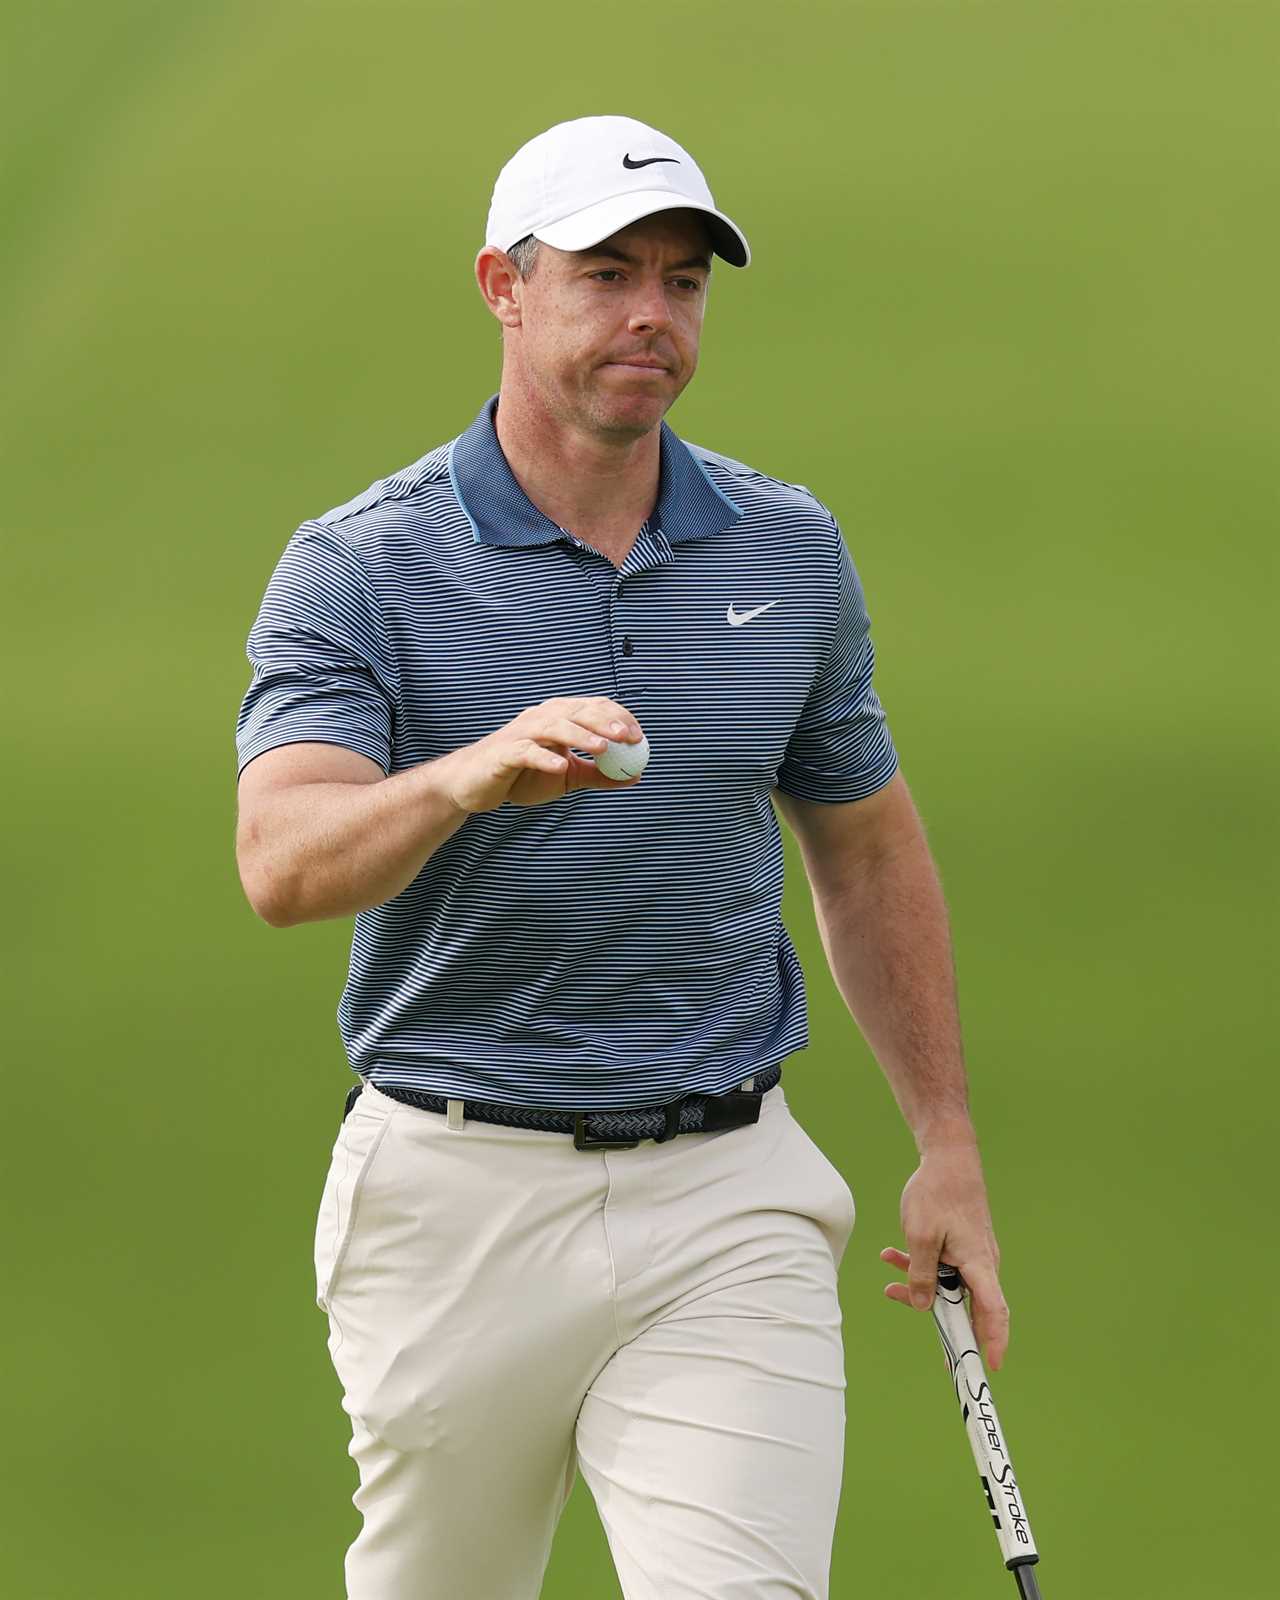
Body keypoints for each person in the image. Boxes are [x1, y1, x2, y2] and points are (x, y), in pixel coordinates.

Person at [233, 113, 1010, 1600]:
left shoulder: (788, 553)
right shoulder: (363, 564)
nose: (652, 315)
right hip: (451, 1195)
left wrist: (948, 1142)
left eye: (683, 281)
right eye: (605, 275)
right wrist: (460, 779)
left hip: (727, 1194)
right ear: (502, 288)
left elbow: (864, 847)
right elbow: (284, 861)